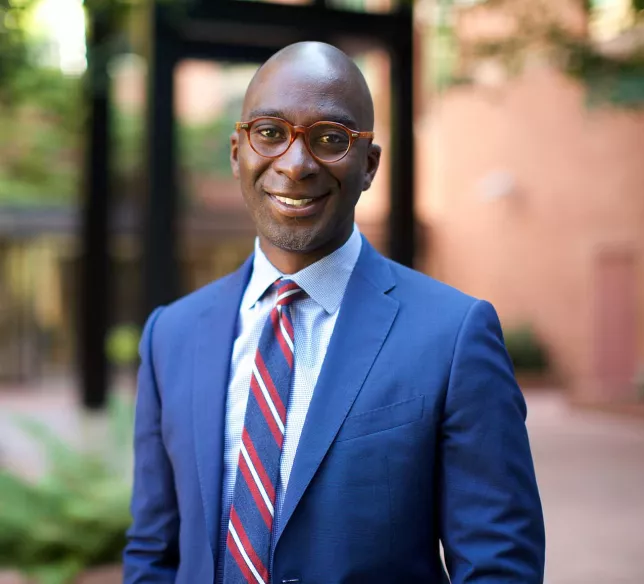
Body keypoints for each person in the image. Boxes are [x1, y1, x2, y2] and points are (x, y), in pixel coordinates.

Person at [123, 41, 545, 584]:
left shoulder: (454, 336)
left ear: (368, 165)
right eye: (270, 132)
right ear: (237, 152)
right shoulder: (171, 335)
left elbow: (498, 566)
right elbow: (154, 552)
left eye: (330, 139)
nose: (295, 165)